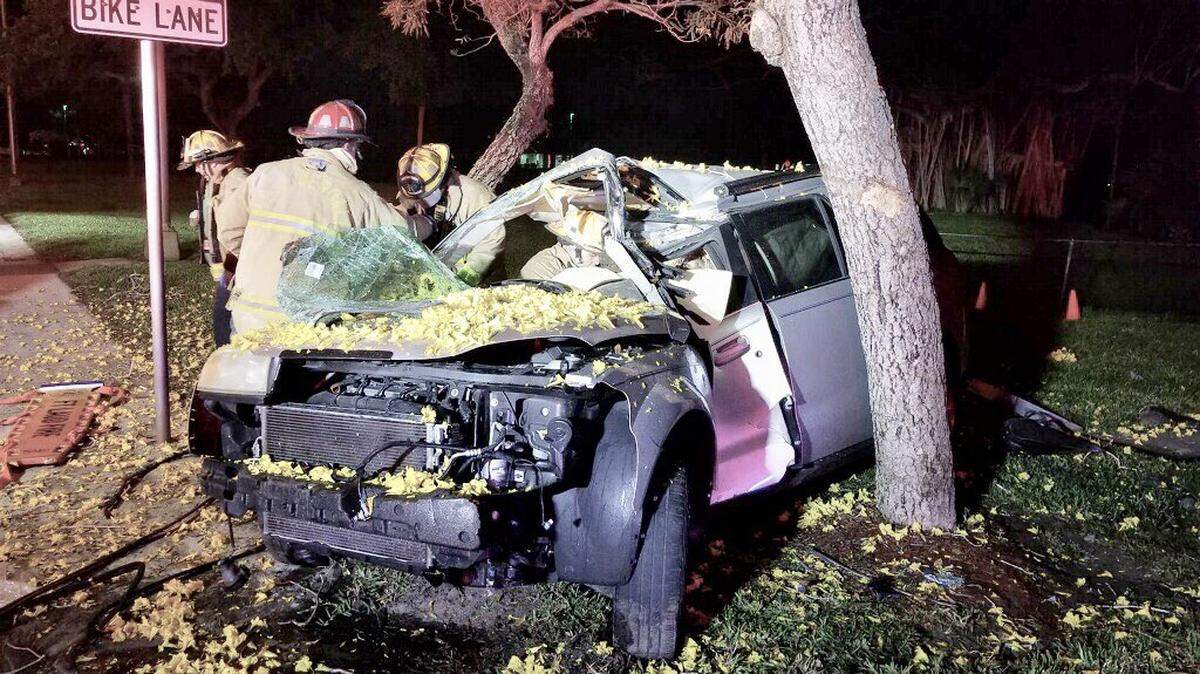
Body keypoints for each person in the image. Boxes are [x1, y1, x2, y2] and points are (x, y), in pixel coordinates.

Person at [217, 99, 421, 333]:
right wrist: (424, 221)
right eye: (357, 147)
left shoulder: (265, 174)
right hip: (303, 327)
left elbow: (228, 229)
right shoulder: (356, 193)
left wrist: (265, 257)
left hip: (248, 317)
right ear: (348, 145)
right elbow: (402, 231)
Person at [177, 130, 250, 347]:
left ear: (217, 160)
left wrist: (233, 269)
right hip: (227, 270)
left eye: (200, 162)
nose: (198, 169)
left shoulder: (239, 183)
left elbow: (243, 232)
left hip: (238, 272)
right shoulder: (217, 182)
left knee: (227, 327)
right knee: (222, 323)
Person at [395, 143, 501, 285]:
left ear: (443, 182)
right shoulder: (412, 187)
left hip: (477, 270)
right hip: (438, 265)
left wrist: (467, 276)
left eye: (425, 196)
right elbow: (399, 220)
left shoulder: (473, 196)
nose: (419, 202)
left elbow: (492, 240)